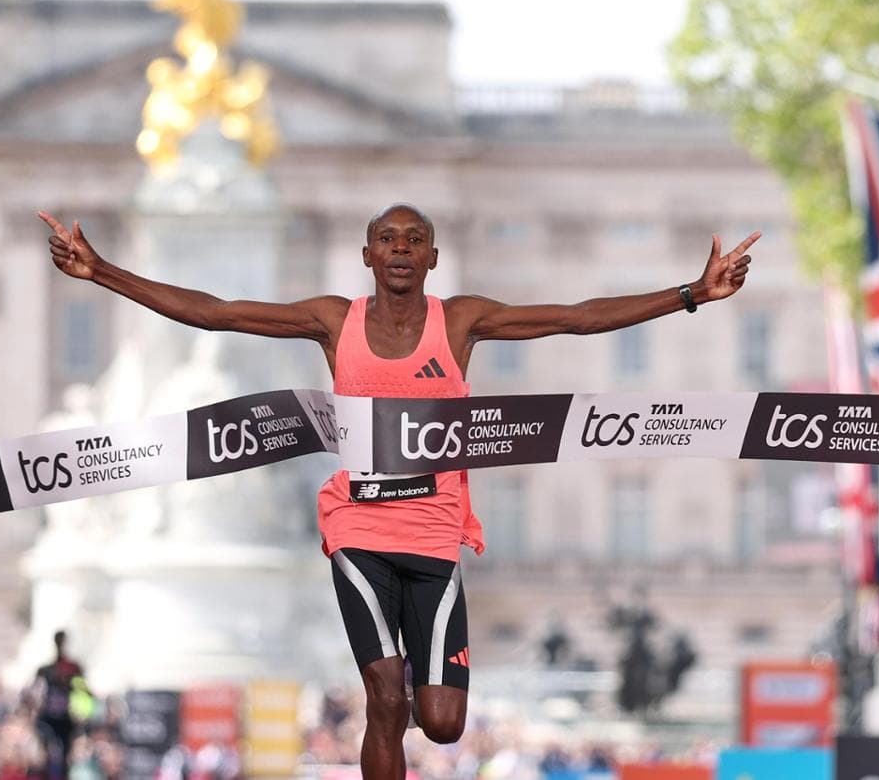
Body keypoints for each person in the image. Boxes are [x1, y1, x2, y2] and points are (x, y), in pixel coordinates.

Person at [40, 202, 758, 771]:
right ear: (368, 255)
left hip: (436, 534)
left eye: (415, 239)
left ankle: (412, 698)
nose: (402, 248)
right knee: (385, 697)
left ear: (433, 257)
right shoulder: (332, 321)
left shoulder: (463, 321)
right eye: (388, 238)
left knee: (441, 724)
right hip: (357, 530)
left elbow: (575, 318)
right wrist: (102, 271)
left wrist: (693, 293)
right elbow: (218, 311)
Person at [32, 629, 86, 779]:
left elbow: (84, 691)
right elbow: (34, 692)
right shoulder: (45, 670)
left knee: (65, 757)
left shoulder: (73, 668)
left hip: (66, 718)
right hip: (49, 718)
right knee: (48, 754)